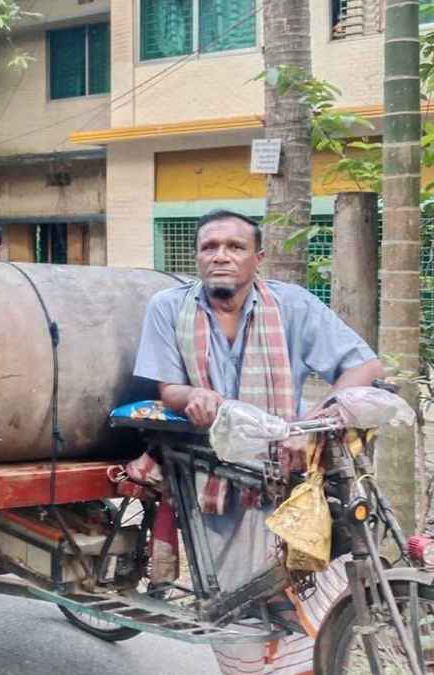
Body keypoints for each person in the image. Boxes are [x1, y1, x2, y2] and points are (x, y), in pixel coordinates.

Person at [133, 208, 383, 674]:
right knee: (232, 601)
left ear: (258, 258)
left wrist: (317, 417)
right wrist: (195, 395)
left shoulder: (293, 305)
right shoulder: (169, 307)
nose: (221, 257)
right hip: (204, 464)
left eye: (235, 247)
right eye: (210, 247)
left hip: (281, 459)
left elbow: (364, 366)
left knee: (303, 580)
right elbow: (168, 389)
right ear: (197, 256)